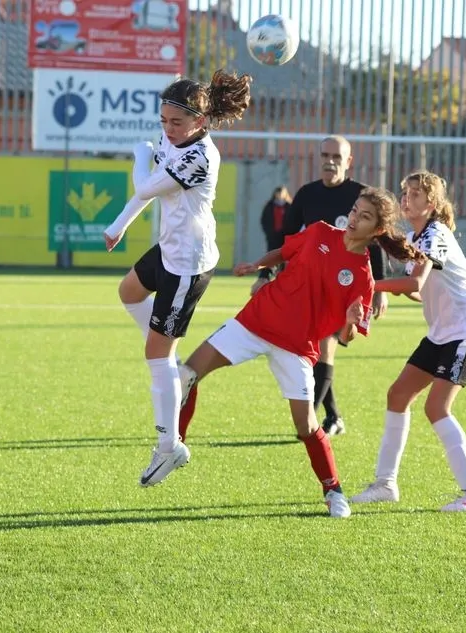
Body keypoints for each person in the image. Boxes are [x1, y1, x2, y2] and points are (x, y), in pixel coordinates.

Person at [175, 188, 424, 516]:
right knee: (187, 373)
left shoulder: (362, 276)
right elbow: (284, 251)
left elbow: (349, 333)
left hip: (296, 347)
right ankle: (174, 445)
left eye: (364, 217)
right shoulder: (320, 231)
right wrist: (257, 265)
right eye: (354, 211)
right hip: (256, 321)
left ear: (377, 230)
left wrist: (351, 320)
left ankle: (333, 490)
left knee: (306, 426)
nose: (354, 219)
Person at [103, 69, 252, 487]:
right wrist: (119, 225)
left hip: (188, 263)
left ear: (200, 122)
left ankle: (169, 447)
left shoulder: (200, 157)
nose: (167, 129)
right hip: (170, 249)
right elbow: (148, 190)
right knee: (128, 291)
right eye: (163, 120)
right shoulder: (175, 142)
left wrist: (139, 156)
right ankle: (169, 366)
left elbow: (146, 186)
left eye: (177, 122)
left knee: (155, 354)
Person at [350, 170, 466, 512]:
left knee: (436, 408)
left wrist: (370, 289)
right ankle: (385, 484)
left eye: (414, 194)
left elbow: (414, 285)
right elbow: (421, 290)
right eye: (404, 192)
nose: (406, 198)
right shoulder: (419, 236)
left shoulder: (436, 233)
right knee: (398, 395)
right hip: (443, 332)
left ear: (431, 203)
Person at [271, 135, 389, 436]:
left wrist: (380, 288)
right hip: (310, 288)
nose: (330, 160)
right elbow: (285, 238)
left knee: (325, 349)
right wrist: (265, 274)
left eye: (337, 156)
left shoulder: (361, 196)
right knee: (312, 354)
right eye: (325, 154)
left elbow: (376, 243)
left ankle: (308, 426)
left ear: (349, 161)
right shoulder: (307, 195)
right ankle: (333, 416)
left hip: (346, 288)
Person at [249, 185, 292, 295]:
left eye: (282, 193)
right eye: (278, 193)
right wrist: (269, 232)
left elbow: (294, 222)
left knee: (285, 258)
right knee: (271, 258)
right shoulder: (269, 206)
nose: (279, 195)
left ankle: (283, 279)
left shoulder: (289, 206)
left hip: (285, 238)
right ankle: (264, 278)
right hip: (272, 237)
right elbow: (264, 220)